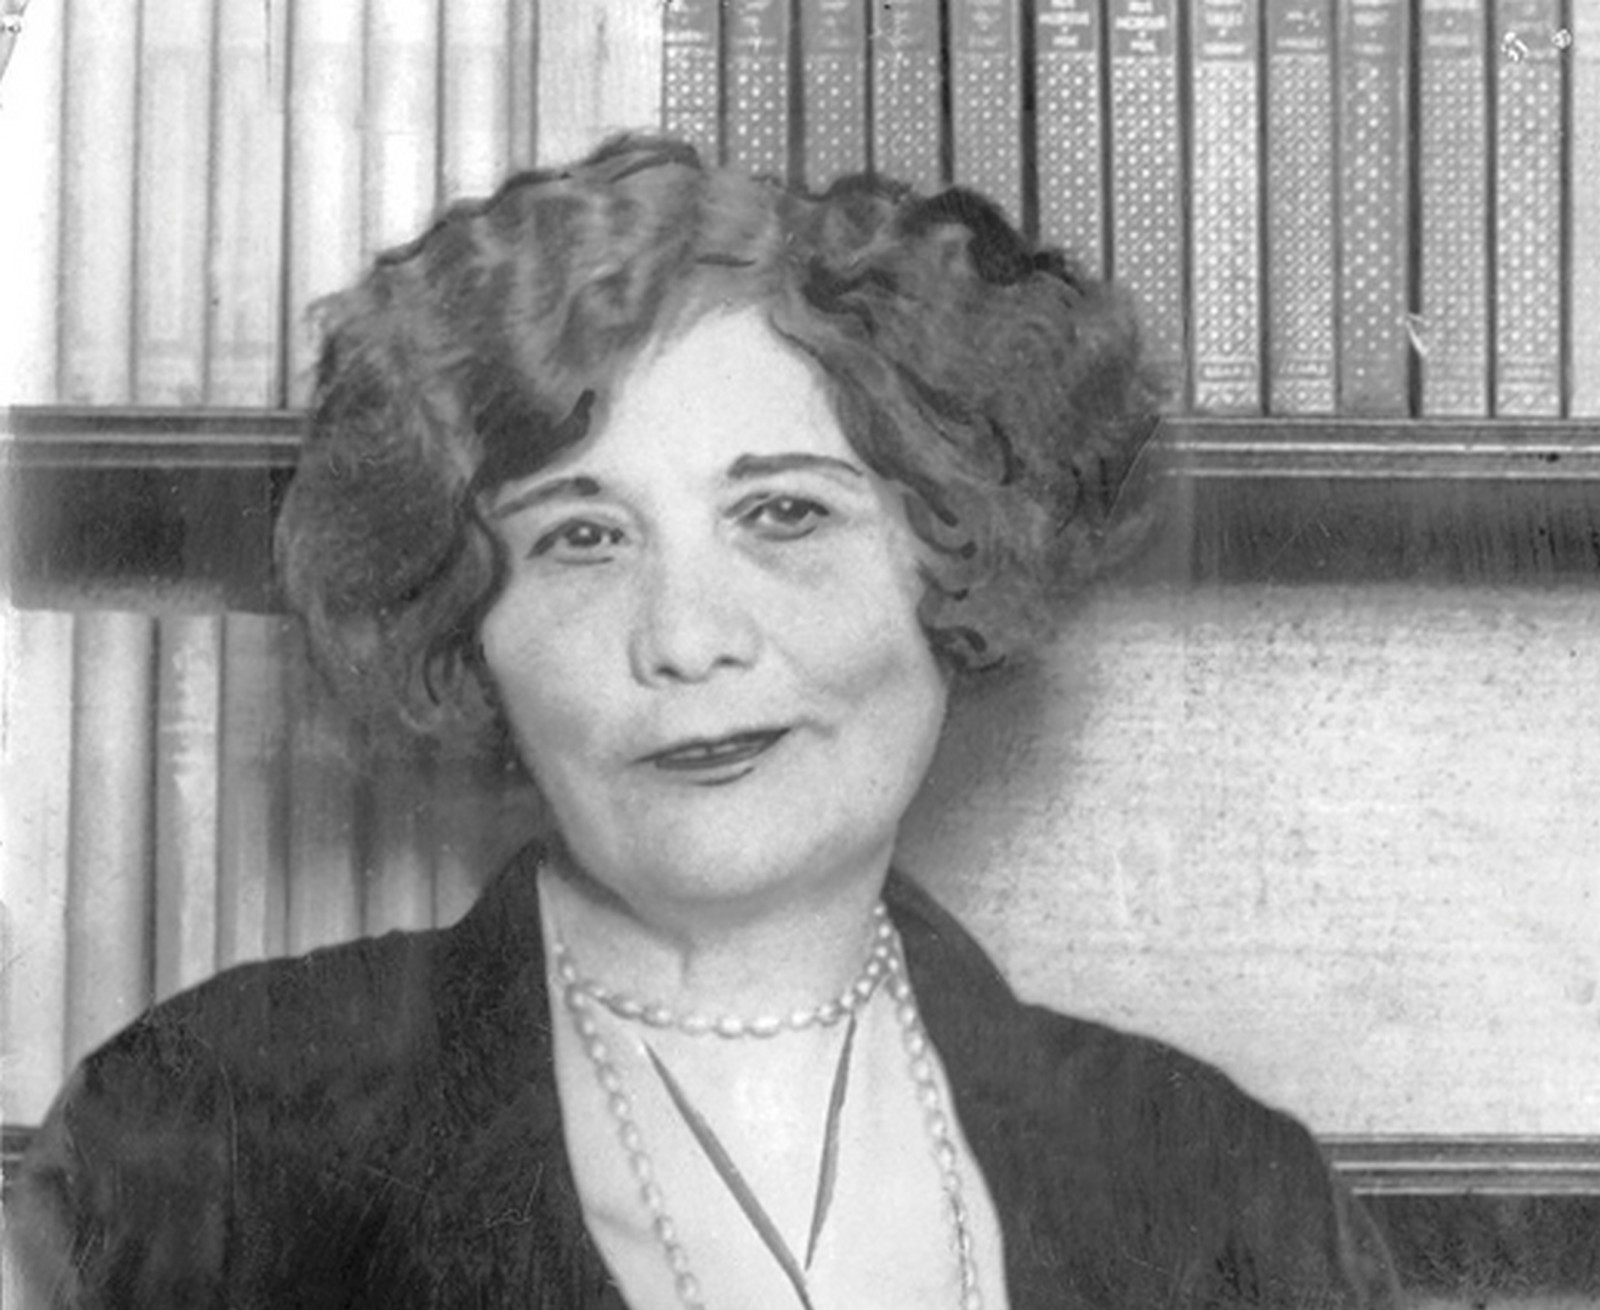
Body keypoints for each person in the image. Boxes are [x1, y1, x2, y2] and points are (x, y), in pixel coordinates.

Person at [9, 136, 1398, 1309]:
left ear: (958, 556)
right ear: (464, 620)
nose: (683, 638)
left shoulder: (1226, 1192)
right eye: (580, 538)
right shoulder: (207, 1132)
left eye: (783, 513)